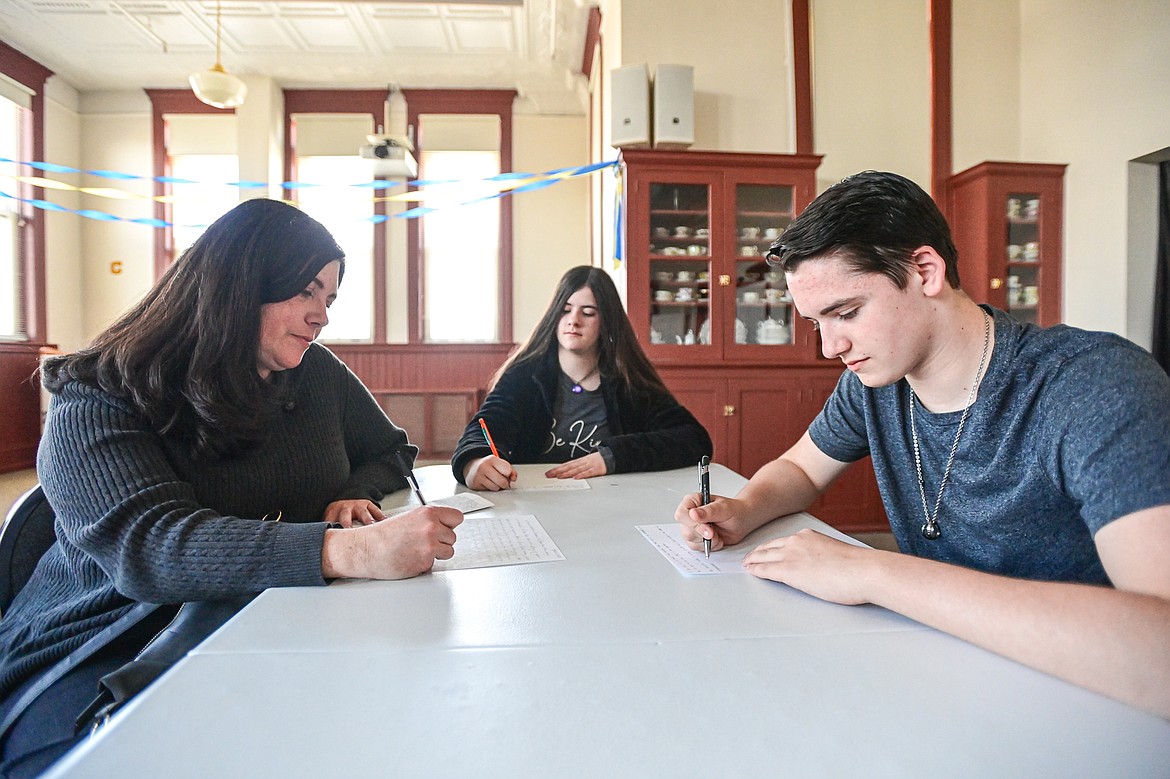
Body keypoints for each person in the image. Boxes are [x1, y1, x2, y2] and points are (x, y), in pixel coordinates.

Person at [673, 171, 1170, 718]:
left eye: (846, 313)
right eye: (815, 322)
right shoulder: (874, 384)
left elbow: (1159, 648)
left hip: (1084, 704)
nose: (830, 346)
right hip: (944, 679)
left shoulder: (1092, 384)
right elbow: (801, 470)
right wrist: (743, 509)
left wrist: (871, 571)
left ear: (925, 271)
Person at [0, 199, 463, 776]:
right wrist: (349, 549)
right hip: (106, 647)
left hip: (271, 612)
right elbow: (151, 549)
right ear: (240, 284)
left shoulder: (313, 371)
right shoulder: (99, 394)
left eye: (330, 298)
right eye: (306, 291)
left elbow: (387, 449)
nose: (322, 316)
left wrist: (354, 494)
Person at [452, 265, 711, 490]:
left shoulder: (629, 381)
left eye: (588, 313)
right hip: (534, 503)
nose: (573, 321)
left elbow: (694, 439)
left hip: (614, 503)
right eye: (565, 310)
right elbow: (484, 428)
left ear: (606, 322)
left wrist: (612, 456)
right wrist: (474, 463)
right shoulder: (525, 374)